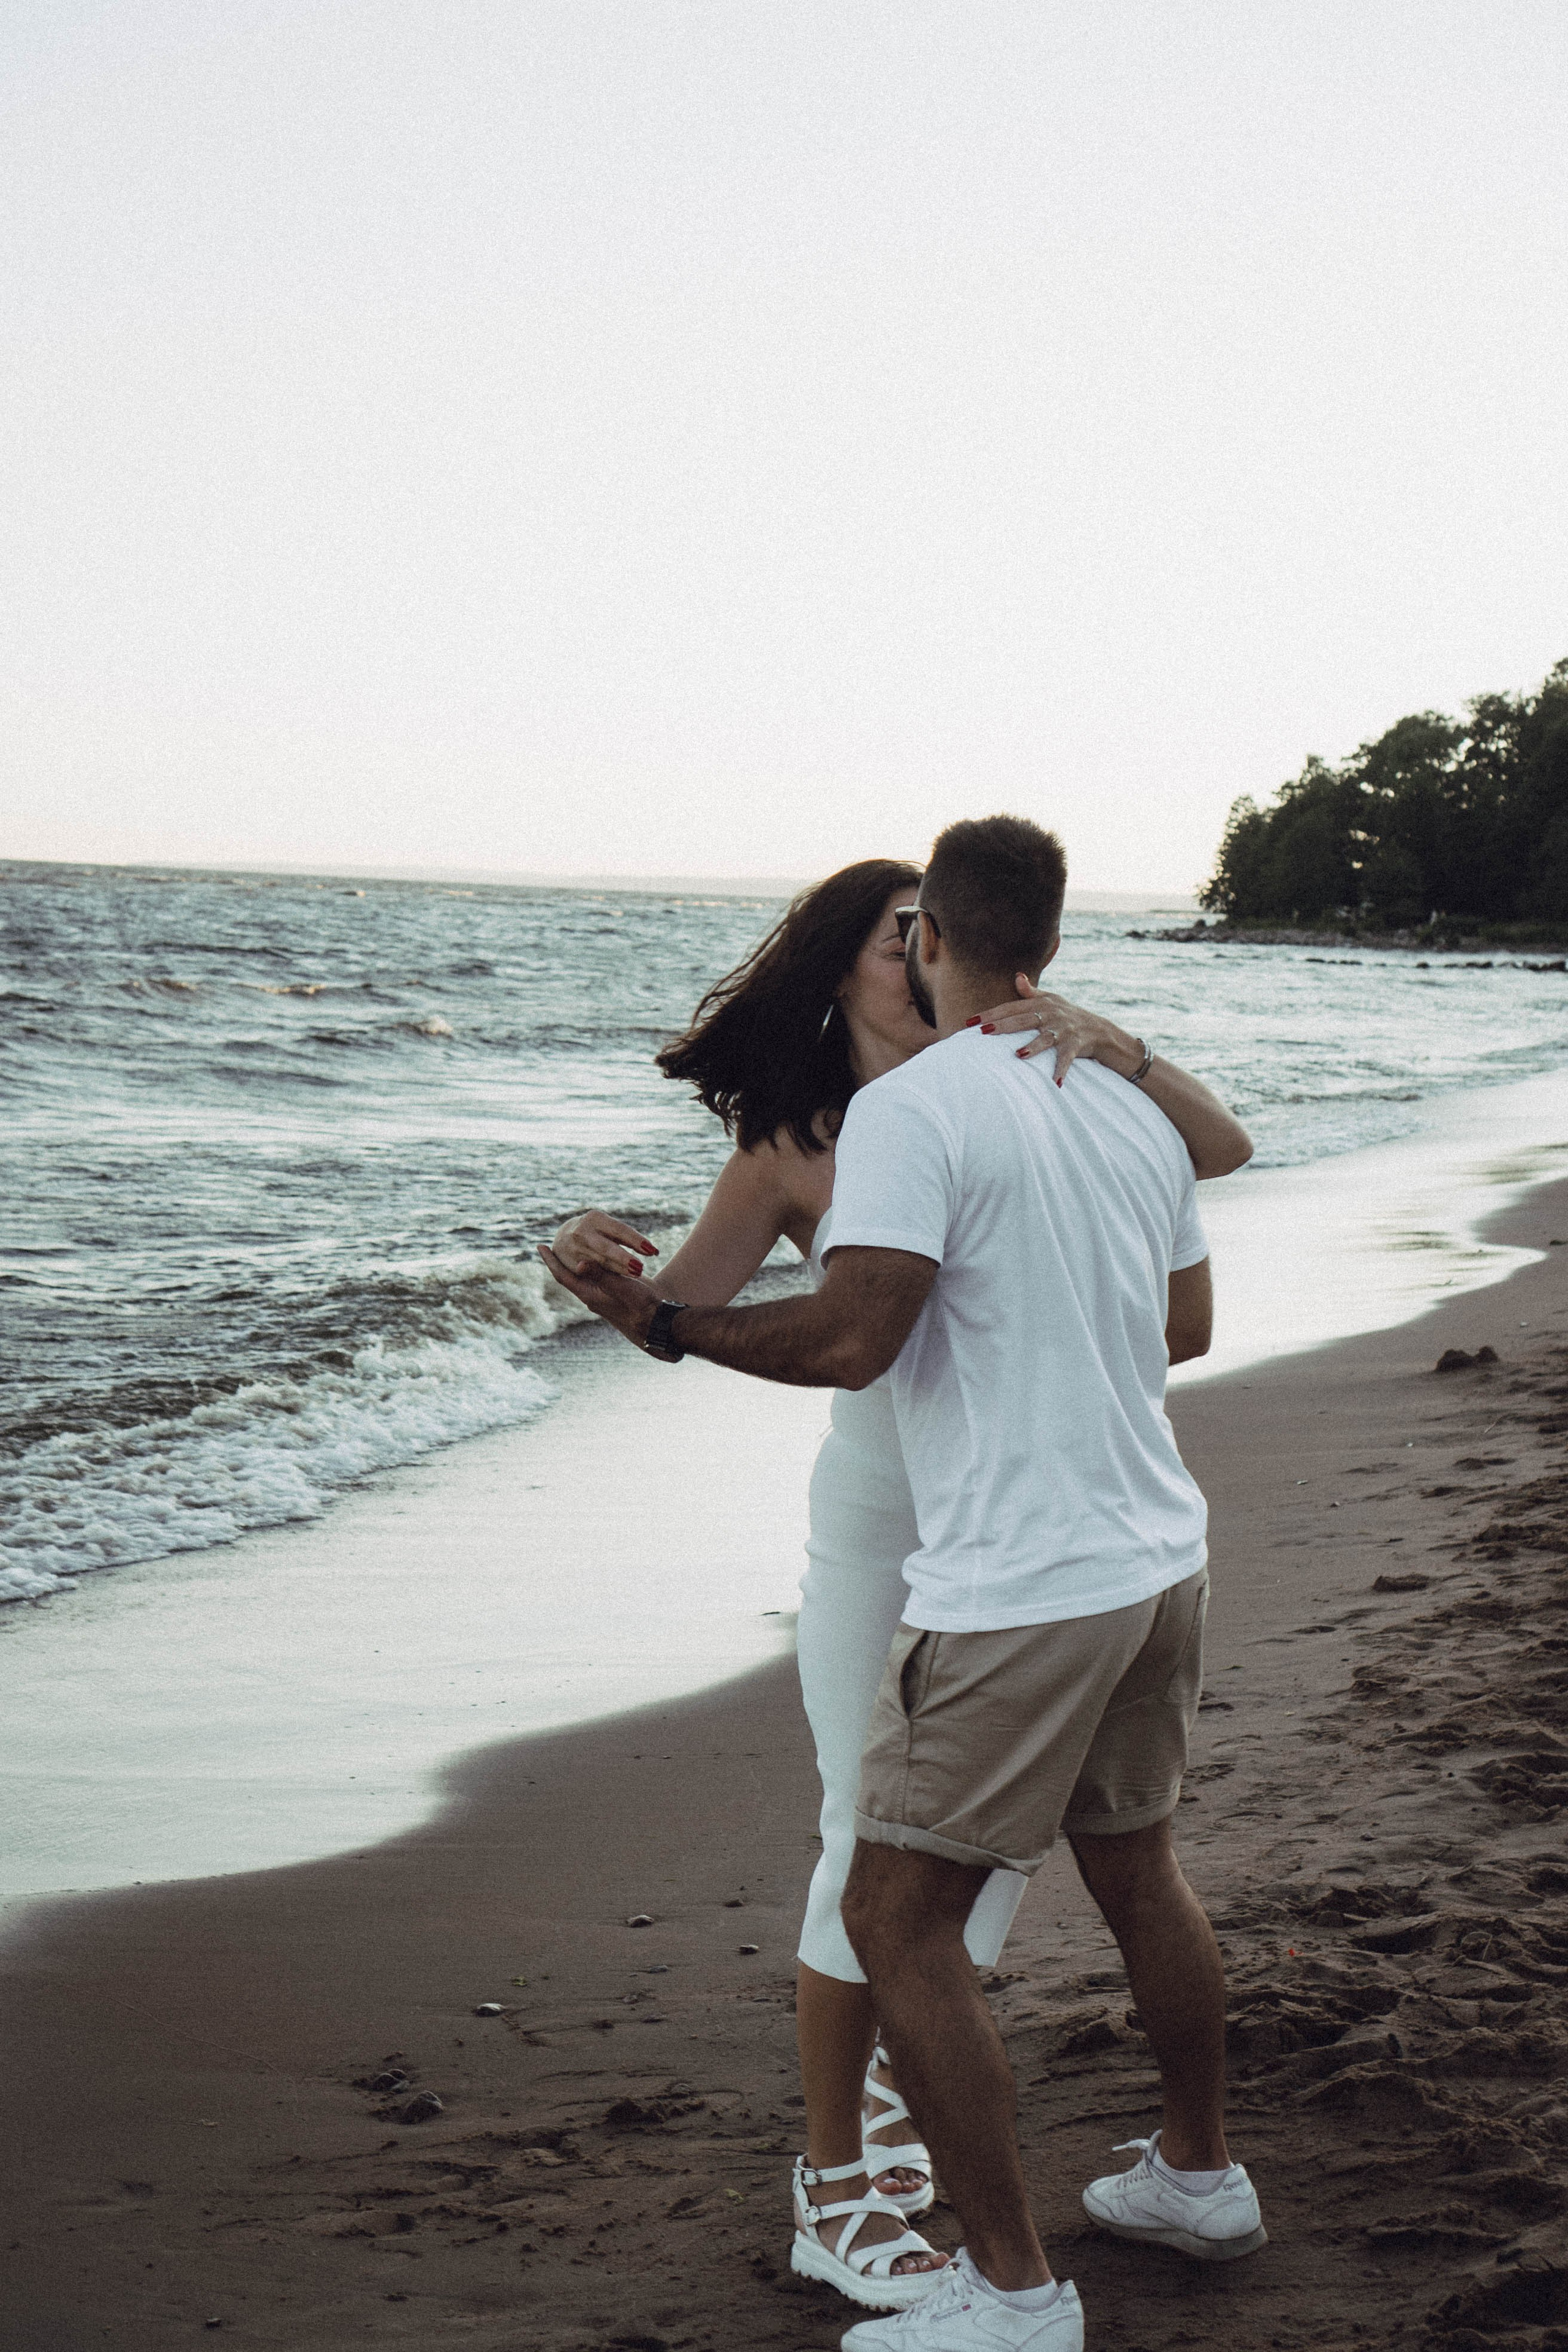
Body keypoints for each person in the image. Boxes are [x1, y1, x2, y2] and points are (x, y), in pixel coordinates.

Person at [546, 839, 1254, 2331]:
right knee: (868, 1850)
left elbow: (888, 1322)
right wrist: (620, 1294)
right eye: (876, 933)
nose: (900, 950)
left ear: (940, 937)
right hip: (905, 1522)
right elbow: (701, 1312)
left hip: (1017, 1540)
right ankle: (840, 2178)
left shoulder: (1054, 1085)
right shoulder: (801, 1142)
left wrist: (1121, 1049)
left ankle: (971, 2215)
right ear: (857, 957)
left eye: (908, 926)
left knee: (927, 1893)